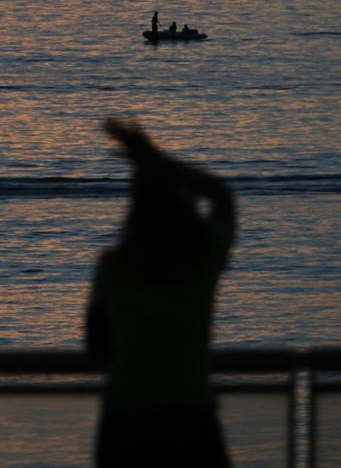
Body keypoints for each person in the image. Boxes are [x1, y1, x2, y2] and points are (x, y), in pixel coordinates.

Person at [86, 118, 236, 468]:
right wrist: (158, 162)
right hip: (191, 413)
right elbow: (221, 194)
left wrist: (150, 167)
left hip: (125, 418)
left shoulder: (113, 266)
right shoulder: (203, 258)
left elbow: (97, 351)